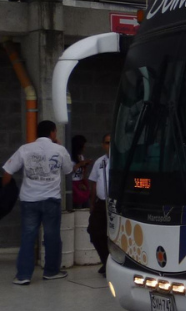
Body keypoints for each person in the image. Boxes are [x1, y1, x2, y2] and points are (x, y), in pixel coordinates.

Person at [2, 120, 73, 285]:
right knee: (52, 236)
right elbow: (68, 170)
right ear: (53, 133)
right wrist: (60, 146)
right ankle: (51, 271)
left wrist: (6, 192)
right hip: (51, 201)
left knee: (27, 237)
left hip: (29, 200)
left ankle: (23, 276)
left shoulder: (25, 149)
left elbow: (7, 172)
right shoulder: (59, 150)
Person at [88, 134, 111, 276]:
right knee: (94, 231)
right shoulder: (99, 162)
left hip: (116, 205)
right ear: (103, 145)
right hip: (101, 203)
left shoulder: (122, 160)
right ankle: (106, 261)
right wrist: (92, 203)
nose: (110, 146)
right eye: (107, 143)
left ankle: (113, 265)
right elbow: (94, 183)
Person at [70, 134, 92, 209]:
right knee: (77, 205)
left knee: (86, 204)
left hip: (80, 182)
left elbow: (83, 173)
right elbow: (68, 171)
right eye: (83, 146)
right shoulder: (70, 158)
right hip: (73, 184)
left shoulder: (81, 156)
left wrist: (85, 165)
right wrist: (79, 164)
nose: (84, 148)